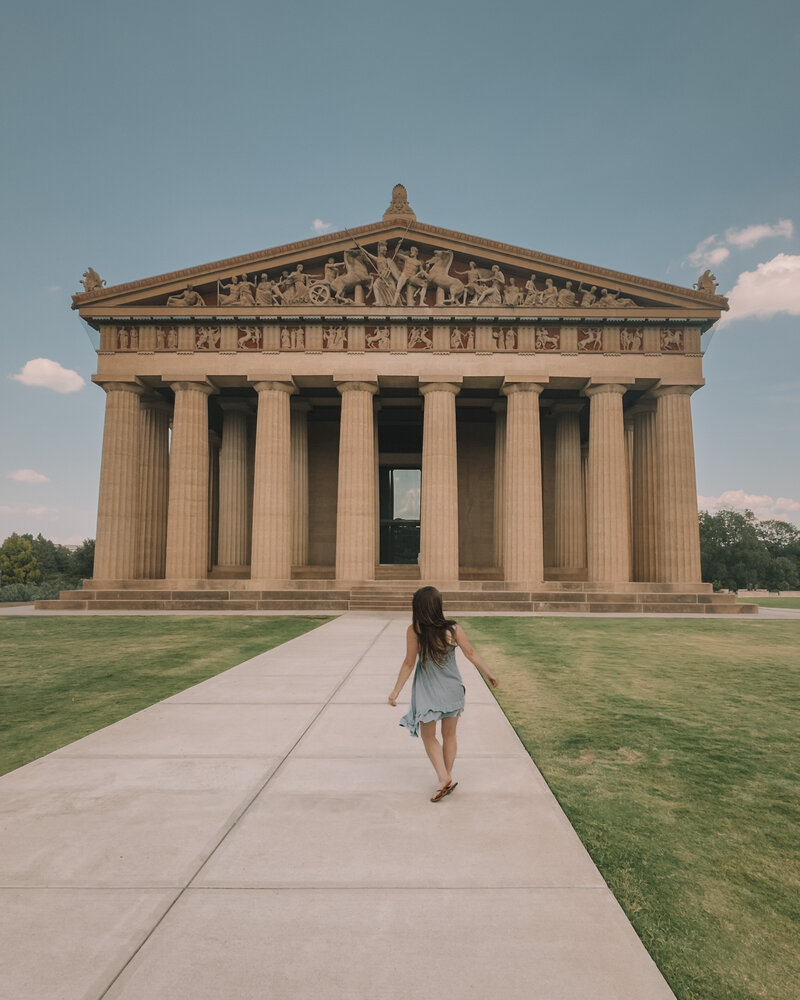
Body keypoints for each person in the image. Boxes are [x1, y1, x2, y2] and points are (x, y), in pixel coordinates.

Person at [388, 586, 499, 802]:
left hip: (429, 692)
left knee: (428, 736)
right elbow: (471, 653)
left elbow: (409, 663)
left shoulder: (415, 631)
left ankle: (443, 777)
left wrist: (395, 691)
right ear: (437, 606)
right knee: (450, 735)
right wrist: (489, 674)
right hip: (453, 689)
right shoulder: (453, 629)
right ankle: (446, 777)